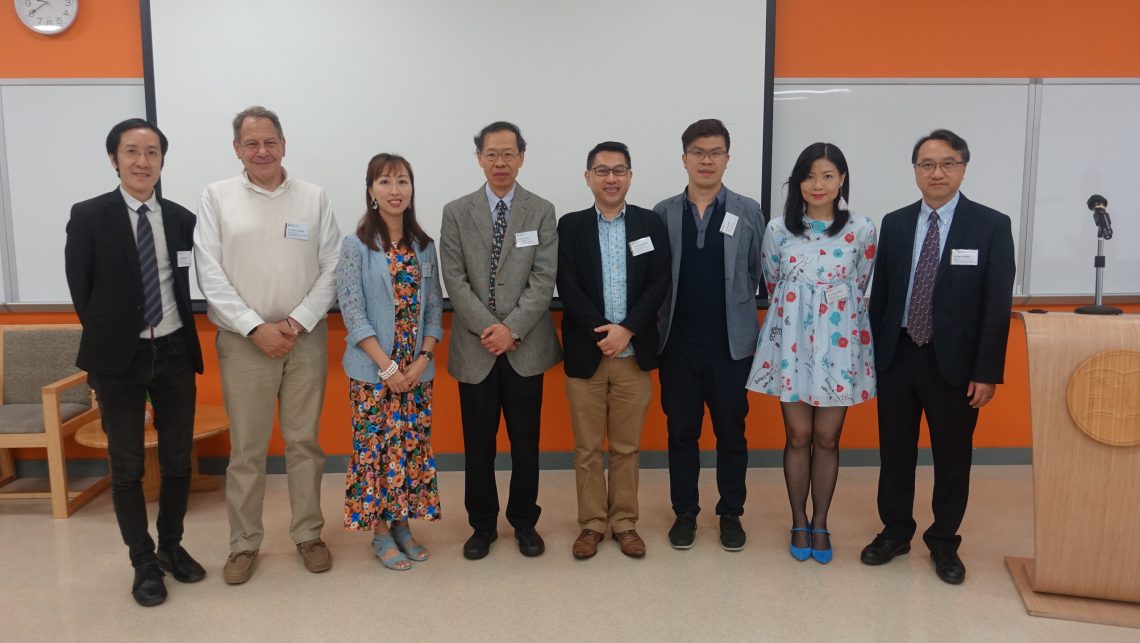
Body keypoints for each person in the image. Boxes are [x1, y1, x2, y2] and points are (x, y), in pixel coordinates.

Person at [195, 106, 342, 584]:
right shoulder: (216, 198)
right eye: (251, 143)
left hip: (305, 340)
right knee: (248, 450)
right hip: (244, 343)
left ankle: (308, 534)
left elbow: (333, 266)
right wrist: (254, 326)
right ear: (237, 148)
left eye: (270, 141)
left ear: (283, 144)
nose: (262, 151)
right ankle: (243, 544)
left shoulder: (313, 198)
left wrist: (296, 322)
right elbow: (208, 271)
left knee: (304, 443)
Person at [862, 129, 1015, 585]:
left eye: (948, 163)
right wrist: (874, 356)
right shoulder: (896, 222)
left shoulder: (990, 225)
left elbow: (996, 306)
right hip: (898, 355)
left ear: (963, 168)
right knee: (894, 453)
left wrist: (986, 371)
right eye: (927, 164)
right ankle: (895, 530)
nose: (937, 173)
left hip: (956, 365)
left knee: (952, 457)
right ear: (915, 172)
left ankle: (944, 542)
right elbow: (882, 297)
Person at [64, 118, 205, 606]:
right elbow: (81, 290)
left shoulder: (183, 218)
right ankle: (142, 562)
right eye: (132, 152)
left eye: (152, 153)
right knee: (125, 466)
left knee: (177, 460)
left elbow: (188, 284)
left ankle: (170, 547)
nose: (143, 162)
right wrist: (118, 336)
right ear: (114, 159)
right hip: (117, 358)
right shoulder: (89, 215)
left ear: (162, 161)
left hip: (172, 352)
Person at [746, 143, 877, 564]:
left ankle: (821, 522)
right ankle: (798, 519)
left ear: (842, 180)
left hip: (839, 346)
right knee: (798, 436)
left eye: (827, 175)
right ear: (797, 182)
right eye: (808, 176)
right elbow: (773, 280)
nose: (817, 185)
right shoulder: (778, 230)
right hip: (793, 344)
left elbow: (861, 283)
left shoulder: (862, 229)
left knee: (827, 437)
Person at [439, 121, 562, 560]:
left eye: (509, 153)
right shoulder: (456, 211)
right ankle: (482, 525)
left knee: (526, 443)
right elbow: (453, 279)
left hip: (525, 347)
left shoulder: (541, 210)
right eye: (492, 154)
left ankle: (525, 522)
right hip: (475, 350)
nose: (500, 162)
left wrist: (512, 329)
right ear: (479, 158)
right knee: (478, 445)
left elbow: (544, 277)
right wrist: (490, 329)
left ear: (522, 157)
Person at [654, 118, 765, 552]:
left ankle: (731, 513)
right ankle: (685, 513)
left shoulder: (748, 211)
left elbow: (757, 272)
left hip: (730, 346)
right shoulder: (662, 212)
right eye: (698, 152)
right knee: (681, 433)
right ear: (684, 158)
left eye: (715, 152)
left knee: (732, 434)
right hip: (677, 344)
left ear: (727, 159)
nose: (706, 160)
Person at [556, 141, 671, 559]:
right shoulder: (569, 226)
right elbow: (566, 284)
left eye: (619, 170)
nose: (610, 178)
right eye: (601, 170)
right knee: (587, 449)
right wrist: (602, 331)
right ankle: (590, 525)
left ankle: (624, 523)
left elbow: (659, 281)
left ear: (629, 176)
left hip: (633, 354)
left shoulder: (649, 223)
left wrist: (628, 331)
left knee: (626, 447)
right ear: (587, 177)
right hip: (587, 354)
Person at [336, 154, 443, 571]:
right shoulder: (355, 246)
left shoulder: (424, 246)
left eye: (402, 181)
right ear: (371, 191)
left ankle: (402, 525)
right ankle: (380, 533)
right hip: (372, 374)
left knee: (409, 449)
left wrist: (422, 359)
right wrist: (388, 369)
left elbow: (434, 309)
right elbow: (353, 311)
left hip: (417, 374)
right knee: (376, 451)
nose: (395, 190)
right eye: (385, 182)